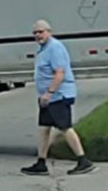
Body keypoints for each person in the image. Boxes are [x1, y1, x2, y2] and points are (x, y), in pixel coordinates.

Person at [20, 19, 94, 176]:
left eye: (41, 32)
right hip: (47, 97)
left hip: (58, 96)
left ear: (49, 32)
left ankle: (83, 160)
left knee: (65, 127)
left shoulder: (55, 48)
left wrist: (49, 93)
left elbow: (59, 74)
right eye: (35, 33)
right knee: (44, 128)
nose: (38, 35)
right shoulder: (43, 49)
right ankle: (41, 163)